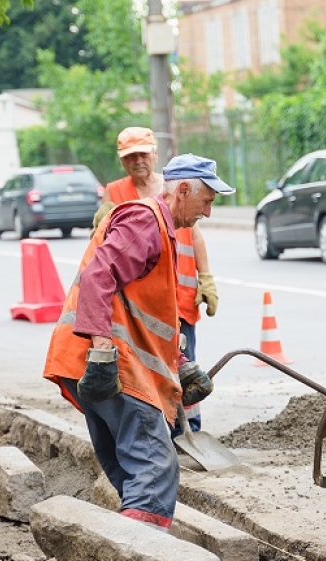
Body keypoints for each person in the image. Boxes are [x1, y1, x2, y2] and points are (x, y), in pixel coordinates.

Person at [44, 153, 234, 531]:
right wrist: (101, 353)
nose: (208, 213)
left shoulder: (160, 227)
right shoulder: (144, 220)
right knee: (154, 469)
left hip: (94, 361)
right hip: (109, 363)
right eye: (207, 201)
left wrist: (179, 362)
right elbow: (99, 278)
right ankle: (145, 558)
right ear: (183, 190)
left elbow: (141, 310)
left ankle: (129, 545)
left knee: (130, 468)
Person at [95, 127, 218, 436]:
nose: (137, 162)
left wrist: (205, 277)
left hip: (179, 296)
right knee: (151, 363)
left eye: (142, 154)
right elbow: (105, 265)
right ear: (122, 161)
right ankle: (162, 428)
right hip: (144, 298)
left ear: (154, 154)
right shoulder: (119, 193)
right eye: (130, 157)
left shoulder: (178, 184)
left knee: (184, 364)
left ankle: (188, 430)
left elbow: (195, 233)